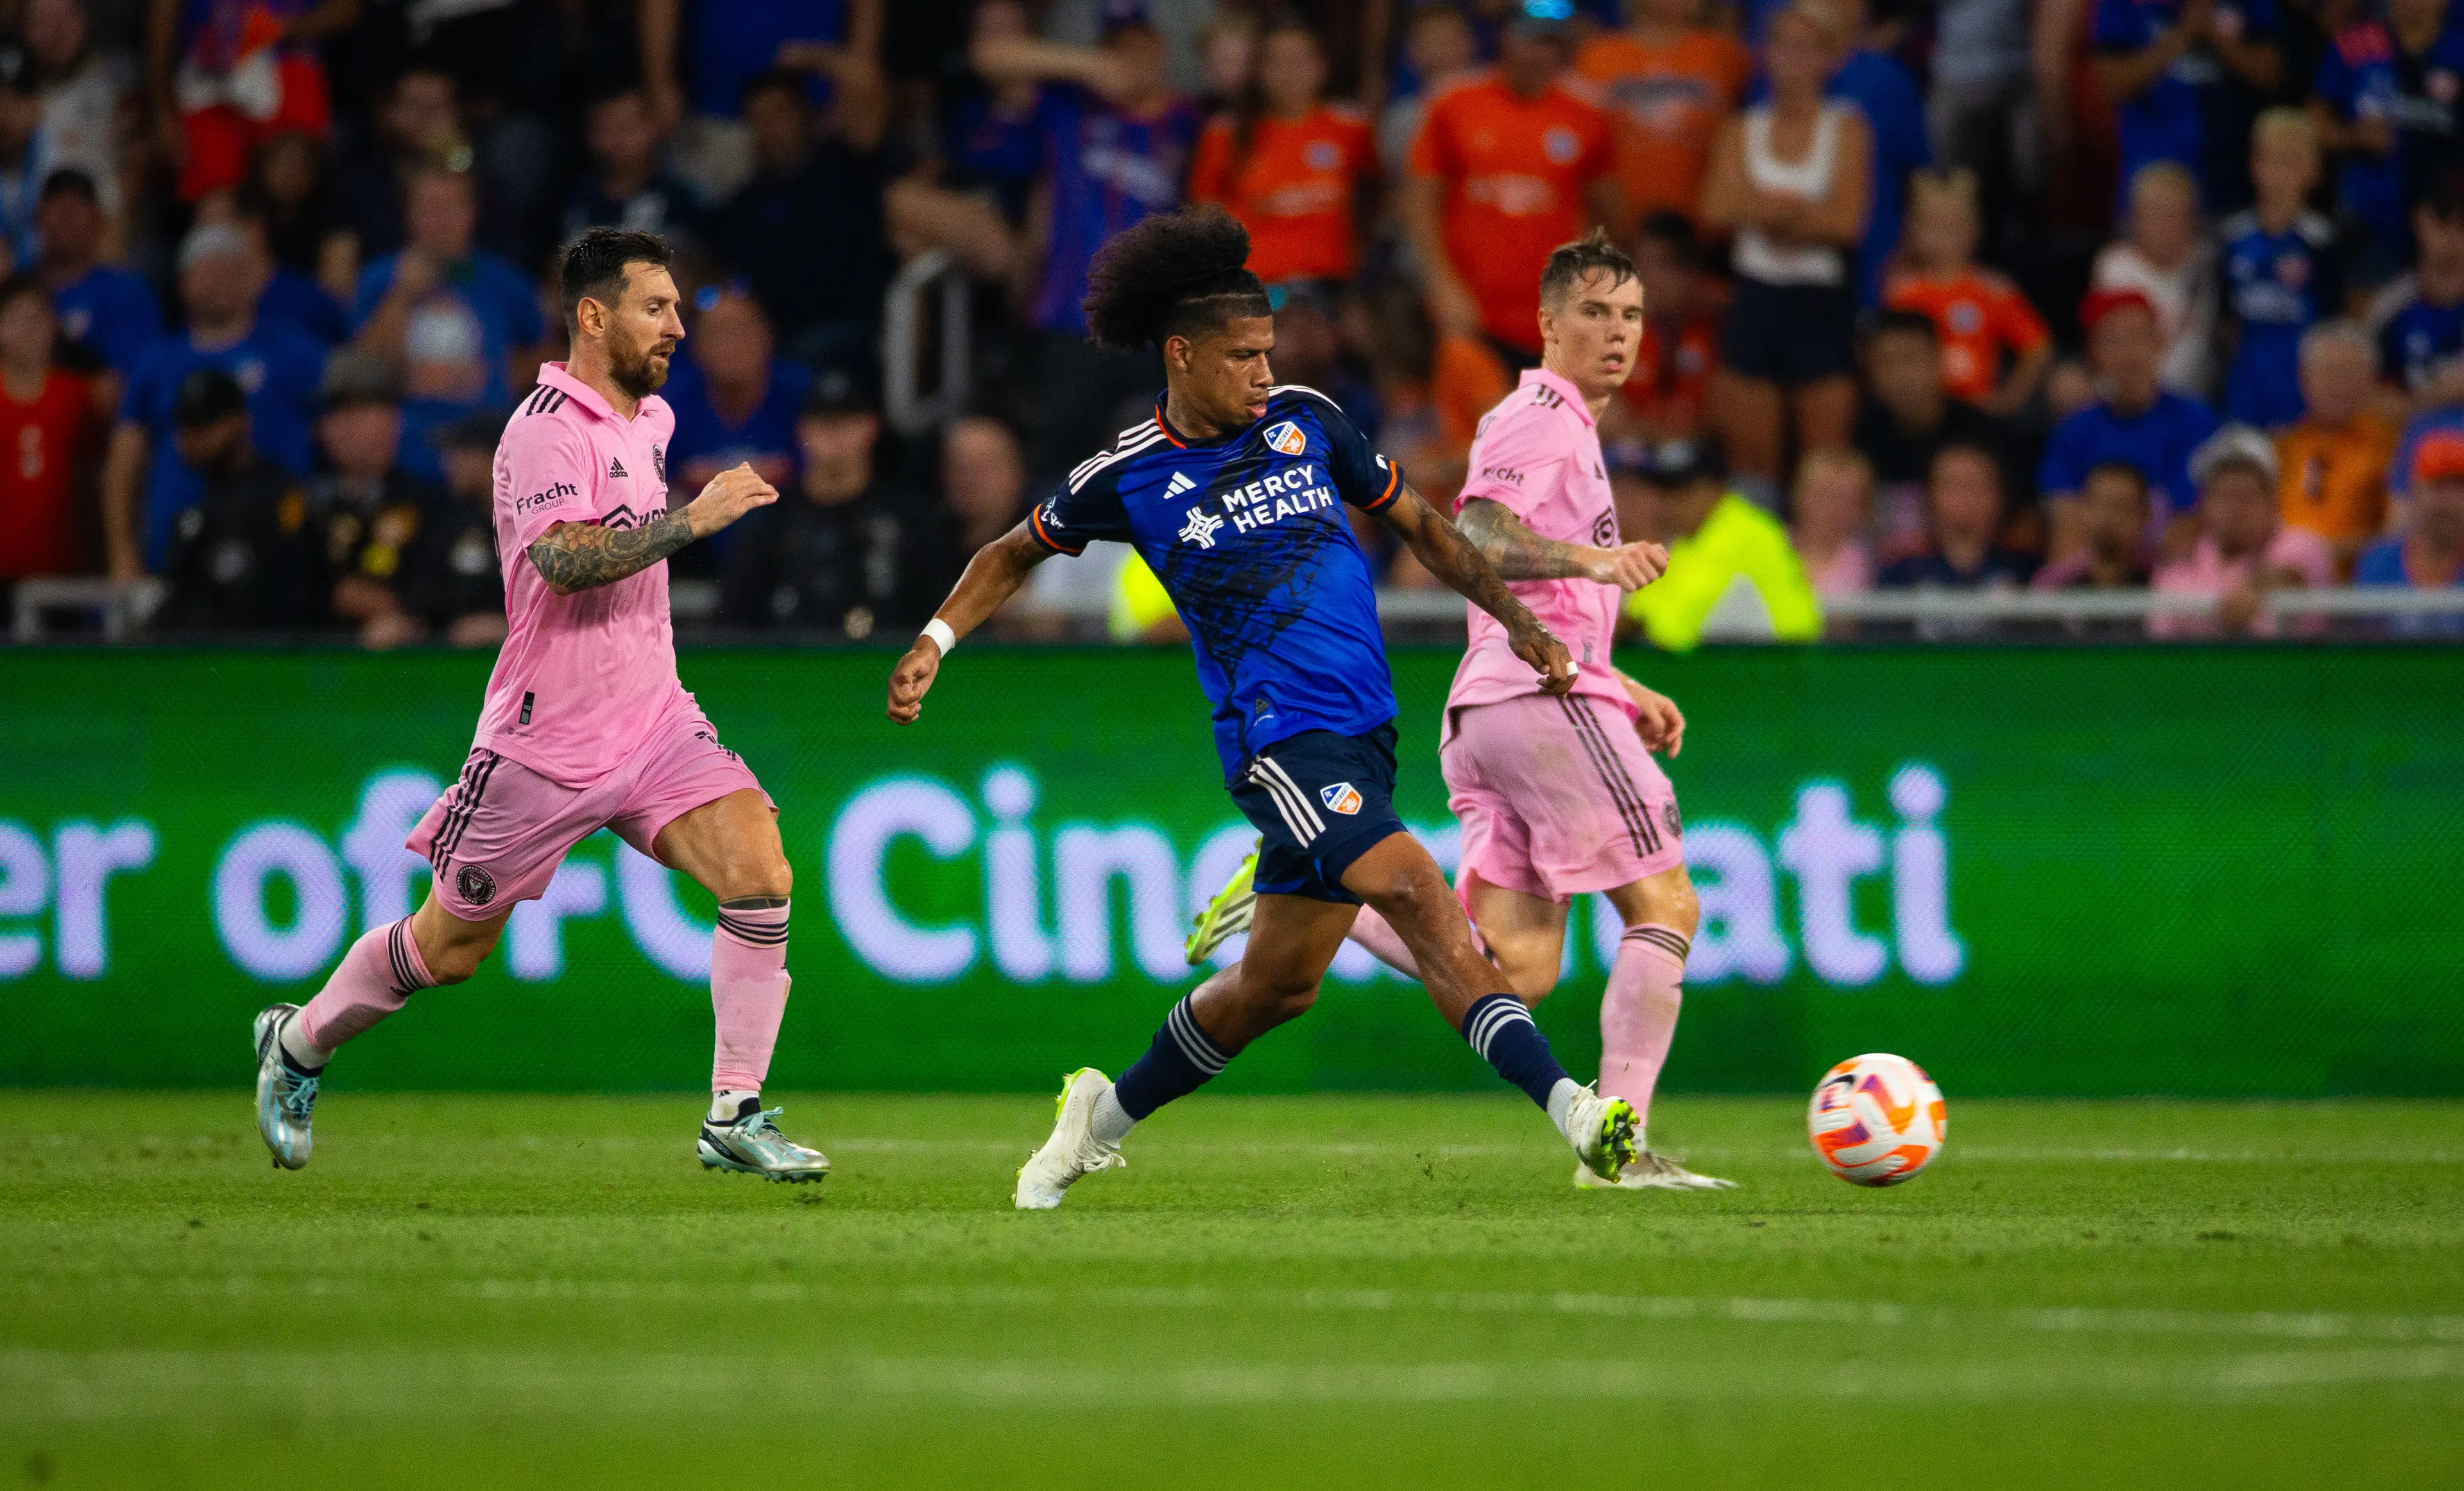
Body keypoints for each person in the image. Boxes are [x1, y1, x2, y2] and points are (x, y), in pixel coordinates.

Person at [883, 207, 1641, 1208]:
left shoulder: (1308, 420)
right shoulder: (1130, 475)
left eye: (1268, 352)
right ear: (1182, 354)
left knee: (1274, 989)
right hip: (1277, 738)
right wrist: (935, 641)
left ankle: (1092, 1121)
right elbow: (1010, 552)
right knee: (1415, 888)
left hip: (1365, 729)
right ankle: (1575, 1108)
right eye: (1241, 355)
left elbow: (1423, 524)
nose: (1260, 371)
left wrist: (1521, 622)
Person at [248, 228, 823, 1185]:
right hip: (544, 739)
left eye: (680, 306)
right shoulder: (541, 430)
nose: (681, 325)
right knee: (449, 946)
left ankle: (736, 1109)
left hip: (655, 718)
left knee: (761, 870)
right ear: (594, 316)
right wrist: (692, 519)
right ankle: (299, 1042)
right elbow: (560, 559)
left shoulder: (652, 422)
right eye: (658, 307)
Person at [1205, 230, 1725, 1190]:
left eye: (1632, 316)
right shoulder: (1542, 414)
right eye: (1595, 314)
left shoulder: (1565, 425)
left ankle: (1317, 885)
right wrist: (1594, 561)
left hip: (1502, 706)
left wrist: (1621, 682)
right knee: (1666, 902)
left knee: (1514, 971)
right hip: (1536, 696)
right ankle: (1621, 1151)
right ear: (1547, 323)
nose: (1618, 334)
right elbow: (1476, 530)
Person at [970, 6, 1200, 480]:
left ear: (1160, 51)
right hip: (1072, 324)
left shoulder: (1188, 122)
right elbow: (989, 57)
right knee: (1061, 480)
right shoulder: (1069, 111)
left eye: (1141, 48)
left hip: (1156, 331)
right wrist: (1089, 68)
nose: (1129, 62)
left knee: (1163, 474)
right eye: (1117, 50)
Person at [1700, 0, 1870, 487]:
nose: (1794, 57)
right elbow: (1715, 209)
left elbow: (1845, 223)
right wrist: (1800, 210)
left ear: (1829, 57)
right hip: (1757, 295)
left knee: (1824, 463)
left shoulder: (1846, 128)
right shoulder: (1742, 129)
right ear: (1766, 53)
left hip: (1821, 301)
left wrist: (1761, 209)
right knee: (1755, 469)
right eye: (1784, 44)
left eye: (1807, 46)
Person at [102, 221, 327, 577]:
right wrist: (122, 551)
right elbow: (125, 463)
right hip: (175, 555)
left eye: (230, 270)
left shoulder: (296, 354)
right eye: (207, 271)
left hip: (276, 555)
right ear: (183, 285)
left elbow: (335, 429)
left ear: (254, 280)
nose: (220, 280)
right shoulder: (156, 361)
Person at [1404, 0, 1620, 361]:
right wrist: (1443, 285)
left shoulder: (1587, 113)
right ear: (1505, 39)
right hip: (1470, 312)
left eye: (1551, 43)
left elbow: (1610, 213)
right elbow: (1420, 204)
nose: (1541, 53)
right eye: (1531, 40)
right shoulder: (1453, 104)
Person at [351, 165, 546, 484]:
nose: (440, 219)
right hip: (408, 434)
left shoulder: (506, 282)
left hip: (489, 430)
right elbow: (366, 368)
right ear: (409, 214)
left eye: (451, 207)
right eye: (428, 207)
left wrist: (507, 374)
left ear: (472, 213)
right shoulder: (380, 279)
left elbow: (548, 351)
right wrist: (402, 295)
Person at [718, 372, 939, 635]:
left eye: (846, 422)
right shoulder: (770, 522)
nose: (834, 434)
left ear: (871, 427)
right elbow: (732, 629)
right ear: (802, 430)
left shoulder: (909, 519)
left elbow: (937, 616)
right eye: (823, 423)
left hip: (887, 668)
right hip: (790, 670)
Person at [714, 65, 892, 374]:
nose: (770, 129)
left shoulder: (845, 168)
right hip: (769, 335)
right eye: (759, 119)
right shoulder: (745, 202)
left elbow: (868, 96)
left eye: (780, 115)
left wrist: (812, 58)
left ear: (808, 115)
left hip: (844, 329)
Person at [1187, 19, 1375, 287]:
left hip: (1334, 282)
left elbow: (1374, 192)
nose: (1289, 72)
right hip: (1257, 286)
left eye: (1300, 60)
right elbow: (1204, 212)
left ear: (1322, 66)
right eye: (1277, 62)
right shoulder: (1225, 134)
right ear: (1259, 71)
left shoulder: (1350, 128)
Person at [638, 0, 885, 203]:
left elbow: (865, 78)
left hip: (818, 110)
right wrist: (660, 81)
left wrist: (843, 73)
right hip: (717, 111)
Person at [2038, 287, 2218, 558]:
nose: (2128, 353)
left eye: (2139, 337)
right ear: (2095, 353)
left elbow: (2193, 520)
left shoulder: (2196, 421)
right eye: (2114, 341)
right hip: (2097, 574)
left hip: (2171, 577)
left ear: (2160, 343)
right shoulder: (2075, 430)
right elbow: (2067, 524)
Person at [154, 367, 325, 630]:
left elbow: (294, 599)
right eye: (186, 424)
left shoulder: (281, 496)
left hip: (268, 660)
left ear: (240, 420)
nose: (192, 437)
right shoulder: (196, 510)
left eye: (206, 423)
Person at [2310, 0, 2464, 288]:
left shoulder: (2459, 51)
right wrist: (2354, 135)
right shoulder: (2355, 45)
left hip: (2448, 229)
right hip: (2370, 226)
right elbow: (2315, 123)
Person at [1621, 435, 1823, 648]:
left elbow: (1673, 630)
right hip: (1748, 662)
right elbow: (1644, 608)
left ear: (1717, 489)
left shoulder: (1741, 531)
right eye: (1665, 491)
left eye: (1684, 491)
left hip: (1786, 661)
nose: (1670, 504)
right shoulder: (1689, 539)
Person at [304, 351, 443, 650]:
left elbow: (446, 593)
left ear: (394, 422)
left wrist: (401, 609)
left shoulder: (429, 505)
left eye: (359, 411)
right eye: (335, 413)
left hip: (394, 673)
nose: (344, 426)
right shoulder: (304, 504)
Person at [2091, 0, 2281, 217]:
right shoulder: (2123, 5)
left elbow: (2270, 75)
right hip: (2151, 179)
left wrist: (2212, 32)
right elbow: (2111, 85)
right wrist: (2183, 32)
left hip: (2232, 179)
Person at [1885, 169, 2051, 418]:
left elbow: (2038, 347)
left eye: (1952, 227)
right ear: (1913, 230)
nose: (1942, 237)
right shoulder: (1902, 291)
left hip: (1975, 410)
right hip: (1916, 414)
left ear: (1974, 230)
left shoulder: (1993, 290)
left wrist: (2008, 400)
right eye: (1931, 225)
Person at [1574, 0, 1751, 230]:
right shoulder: (1597, 57)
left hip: (1699, 229)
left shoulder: (1726, 56)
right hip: (1615, 225)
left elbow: (1739, 138)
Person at [149, 0, 347, 202]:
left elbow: (349, 8)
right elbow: (162, 10)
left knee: (289, 171)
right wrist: (161, 105)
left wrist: (291, 27)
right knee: (216, 197)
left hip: (285, 57)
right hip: (205, 72)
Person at [2151, 424, 2332, 636]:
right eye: (2224, 496)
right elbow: (2163, 636)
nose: (2235, 508)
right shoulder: (2182, 558)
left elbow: (2289, 575)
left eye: (2247, 494)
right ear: (2203, 505)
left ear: (2272, 501)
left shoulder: (2304, 545)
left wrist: (2255, 589)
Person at [1852, 309, 2012, 547]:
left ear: (1939, 359)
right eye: (1886, 362)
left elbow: (2020, 523)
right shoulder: (1860, 434)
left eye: (1911, 359)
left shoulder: (1986, 434)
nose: (1900, 374)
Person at [2218, 109, 2336, 431]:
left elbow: (2333, 321)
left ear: (2312, 172)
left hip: (2302, 392)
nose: (2278, 173)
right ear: (2254, 167)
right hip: (2246, 388)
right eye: (2270, 160)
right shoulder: (2233, 238)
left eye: (2290, 161)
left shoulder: (2322, 242)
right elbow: (2225, 320)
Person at [0, 272, 103, 585]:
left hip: (63, 569)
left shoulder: (76, 395)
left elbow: (92, 474)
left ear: (53, 325)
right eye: (15, 319)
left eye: (36, 318)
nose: (28, 330)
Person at [2275, 321, 2397, 578]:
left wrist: (2315, 554)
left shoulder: (2390, 447)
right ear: (2303, 377)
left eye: (2349, 373)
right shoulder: (2280, 446)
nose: (2337, 384)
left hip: (2354, 593)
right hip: (2283, 586)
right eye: (2328, 372)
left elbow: (2395, 535)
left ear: (2372, 381)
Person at [664, 285, 809, 497]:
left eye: (742, 331)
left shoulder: (802, 396)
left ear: (767, 336)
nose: (732, 345)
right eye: (718, 334)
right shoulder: (671, 406)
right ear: (695, 346)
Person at [2092, 161, 2218, 399]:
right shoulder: (2116, 268)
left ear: (2191, 219)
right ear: (2135, 219)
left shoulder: (2211, 264)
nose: (2162, 225)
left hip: (2194, 404)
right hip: (2124, 402)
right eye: (2152, 214)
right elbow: (2100, 345)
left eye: (2171, 214)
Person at [391, 409, 510, 651]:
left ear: (491, 457)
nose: (448, 463)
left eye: (460, 453)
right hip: (455, 666)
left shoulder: (532, 522)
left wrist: (506, 627)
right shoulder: (452, 522)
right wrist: (409, 621)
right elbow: (424, 596)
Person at [1611, 211, 1722, 443]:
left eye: (1660, 266)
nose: (1644, 279)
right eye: (1638, 266)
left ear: (1690, 272)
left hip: (1702, 459)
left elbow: (1726, 417)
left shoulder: (1722, 330)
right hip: (1631, 459)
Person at [37, 169, 160, 375]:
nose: (67, 218)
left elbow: (130, 375)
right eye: (58, 207)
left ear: (98, 220)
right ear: (38, 217)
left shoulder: (127, 290)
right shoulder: (17, 287)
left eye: (78, 209)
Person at [1878, 441, 2037, 588]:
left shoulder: (2026, 570)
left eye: (1974, 484)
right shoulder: (1902, 571)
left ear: (1999, 495)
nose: (1964, 496)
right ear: (1929, 495)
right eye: (1951, 484)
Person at [563, 87, 705, 249]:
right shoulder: (573, 196)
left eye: (627, 127)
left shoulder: (682, 199)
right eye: (603, 128)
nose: (616, 139)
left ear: (655, 126)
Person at [2357, 429, 2464, 636]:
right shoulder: (2379, 564)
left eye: (2459, 485)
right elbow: (2367, 656)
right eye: (2438, 485)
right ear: (2414, 491)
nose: (2449, 501)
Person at [2375, 184, 2464, 413]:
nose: (2453, 236)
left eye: (2461, 225)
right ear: (2420, 222)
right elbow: (2370, 392)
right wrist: (2436, 396)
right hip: (2411, 437)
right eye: (2442, 221)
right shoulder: (2392, 305)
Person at [2032, 460, 2154, 590]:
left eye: (2122, 507)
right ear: (2083, 509)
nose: (2108, 517)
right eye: (2101, 505)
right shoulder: (2053, 583)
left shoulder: (2164, 584)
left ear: (2145, 514)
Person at [1791, 445, 1876, 598]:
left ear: (1863, 508)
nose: (1832, 508)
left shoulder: (1866, 563)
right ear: (1798, 495)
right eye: (1823, 495)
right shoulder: (1771, 544)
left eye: (1845, 499)